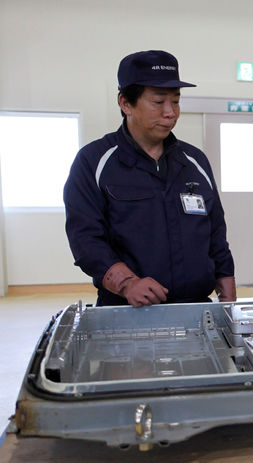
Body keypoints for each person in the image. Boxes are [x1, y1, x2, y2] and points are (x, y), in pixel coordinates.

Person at [63, 50, 236, 307]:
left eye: (176, 102)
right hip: (127, 311)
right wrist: (128, 283)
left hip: (196, 308)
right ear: (125, 103)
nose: (171, 112)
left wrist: (226, 281)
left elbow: (215, 231)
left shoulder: (194, 161)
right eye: (158, 102)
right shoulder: (94, 161)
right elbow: (85, 239)